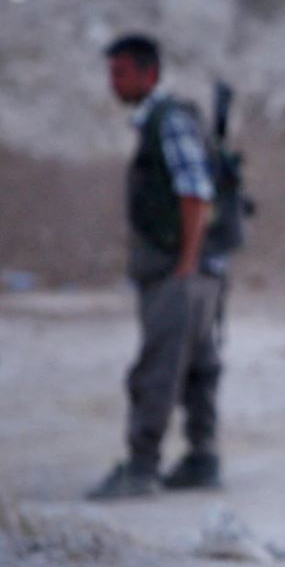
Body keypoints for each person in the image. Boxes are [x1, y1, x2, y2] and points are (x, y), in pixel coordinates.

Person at [87, 34, 227, 500]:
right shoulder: (165, 120)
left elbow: (194, 192)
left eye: (120, 72)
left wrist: (184, 262)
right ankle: (201, 458)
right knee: (198, 366)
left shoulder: (167, 122)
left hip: (180, 270)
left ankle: (142, 468)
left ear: (148, 73)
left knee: (159, 369)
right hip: (199, 268)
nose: (114, 82)